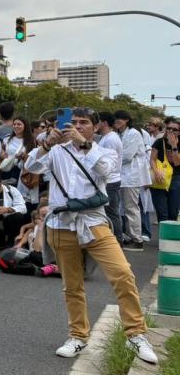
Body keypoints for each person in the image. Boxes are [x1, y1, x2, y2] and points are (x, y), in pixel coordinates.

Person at [24, 107, 157, 364]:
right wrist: (47, 143)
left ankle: (136, 334)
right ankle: (78, 336)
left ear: (95, 127)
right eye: (73, 122)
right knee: (72, 285)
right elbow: (31, 166)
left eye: (83, 122)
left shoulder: (105, 149)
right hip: (62, 223)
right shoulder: (57, 151)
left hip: (94, 221)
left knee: (123, 274)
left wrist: (84, 144)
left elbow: (106, 171)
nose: (76, 126)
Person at [115, 110, 149, 250]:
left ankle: (137, 240)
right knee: (123, 209)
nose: (117, 121)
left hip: (131, 176)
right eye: (116, 119)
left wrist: (112, 160)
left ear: (127, 120)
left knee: (131, 208)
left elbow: (128, 155)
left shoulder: (133, 134)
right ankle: (129, 236)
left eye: (120, 119)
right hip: (123, 176)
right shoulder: (120, 134)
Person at [95, 111, 124, 243]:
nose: (96, 124)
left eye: (97, 121)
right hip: (109, 180)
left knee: (111, 212)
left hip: (111, 180)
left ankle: (117, 240)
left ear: (104, 123)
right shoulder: (106, 137)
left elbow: (108, 163)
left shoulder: (111, 139)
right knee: (108, 212)